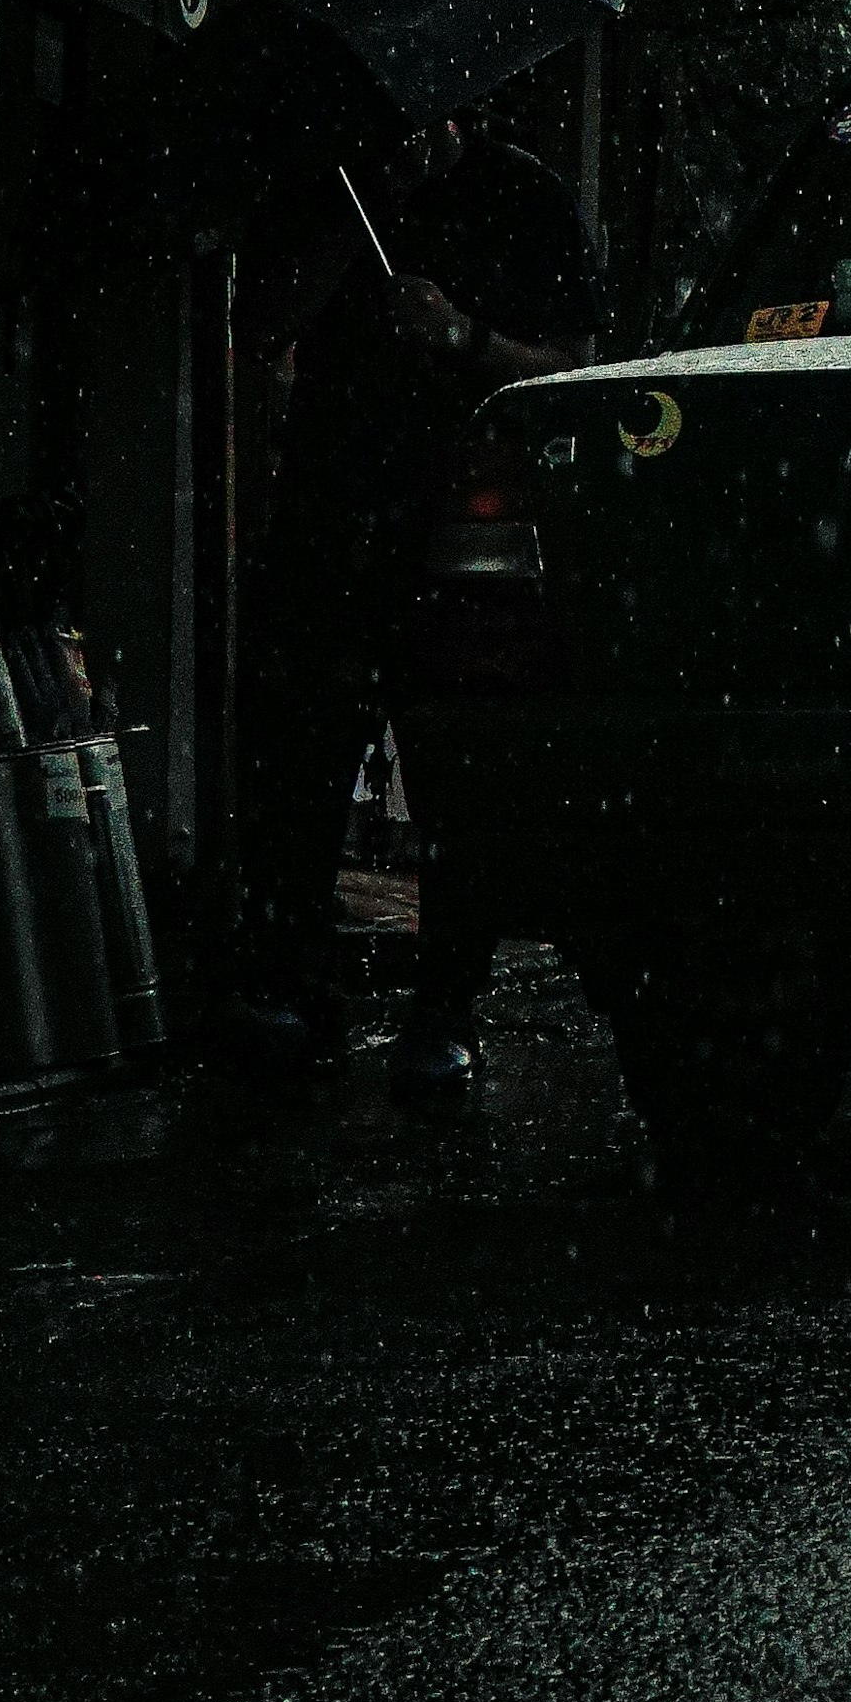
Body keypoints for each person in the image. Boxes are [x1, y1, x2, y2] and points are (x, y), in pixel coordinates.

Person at [239, 106, 603, 1095]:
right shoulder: (334, 197)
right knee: (302, 754)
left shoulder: (521, 198)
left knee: (451, 767)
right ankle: (292, 982)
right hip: (327, 512)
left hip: (456, 528)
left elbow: (574, 364)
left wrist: (463, 335)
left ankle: (446, 1003)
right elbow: (258, 321)